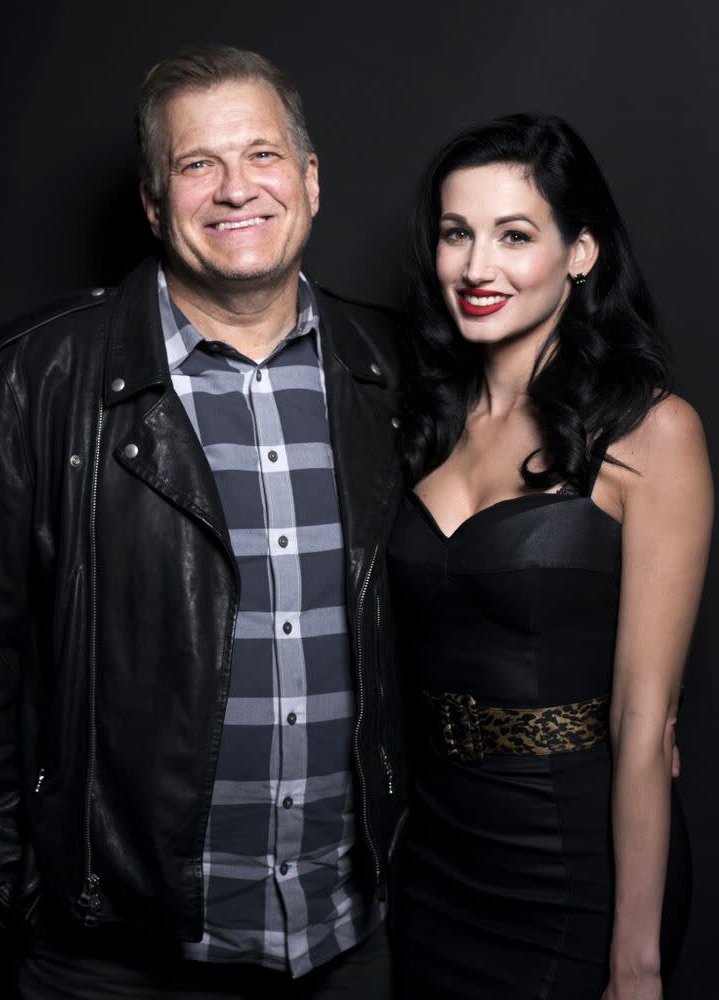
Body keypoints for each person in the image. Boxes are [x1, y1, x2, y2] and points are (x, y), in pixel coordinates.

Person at [0, 45, 407, 998]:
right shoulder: (38, 378)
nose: (236, 189)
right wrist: (16, 888)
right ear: (155, 203)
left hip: (345, 949)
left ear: (309, 180)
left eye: (262, 155)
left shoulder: (393, 371)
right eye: (198, 165)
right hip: (113, 965)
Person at [388, 113, 713, 999]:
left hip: (570, 868)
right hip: (436, 860)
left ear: (581, 253)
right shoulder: (421, 421)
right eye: (457, 234)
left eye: (515, 235)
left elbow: (646, 725)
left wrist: (635, 964)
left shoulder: (653, 432)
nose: (477, 267)